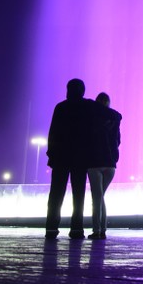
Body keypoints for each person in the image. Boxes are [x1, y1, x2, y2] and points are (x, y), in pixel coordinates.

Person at [45, 78, 98, 240]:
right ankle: (76, 229)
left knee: (56, 194)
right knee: (79, 195)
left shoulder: (61, 107)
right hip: (80, 158)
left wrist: (51, 155)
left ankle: (51, 227)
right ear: (83, 91)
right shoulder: (88, 106)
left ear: (68, 90)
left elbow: (53, 133)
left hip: (60, 157)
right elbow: (106, 115)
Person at [86, 92, 123, 240]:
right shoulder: (115, 119)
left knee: (97, 198)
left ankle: (97, 231)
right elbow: (118, 141)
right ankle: (102, 230)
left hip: (95, 163)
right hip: (110, 164)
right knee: (100, 197)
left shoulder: (91, 118)